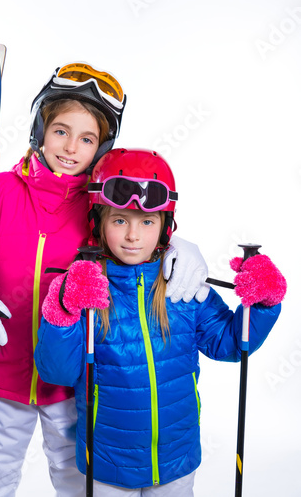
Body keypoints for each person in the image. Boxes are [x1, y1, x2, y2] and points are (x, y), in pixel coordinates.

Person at [0, 65, 210, 496]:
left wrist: (173, 245)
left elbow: (134, 241)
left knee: (81, 485)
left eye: (88, 138)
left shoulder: (100, 209)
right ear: (41, 128)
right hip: (0, 379)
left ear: (102, 146)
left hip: (75, 387)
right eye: (61, 131)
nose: (71, 147)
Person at [34, 148, 286, 495]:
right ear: (98, 221)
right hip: (108, 466)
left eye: (147, 222)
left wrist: (263, 304)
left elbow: (230, 344)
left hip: (176, 460)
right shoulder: (86, 289)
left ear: (165, 226)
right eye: (120, 220)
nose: (133, 236)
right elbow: (57, 373)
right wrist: (63, 310)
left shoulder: (182, 285)